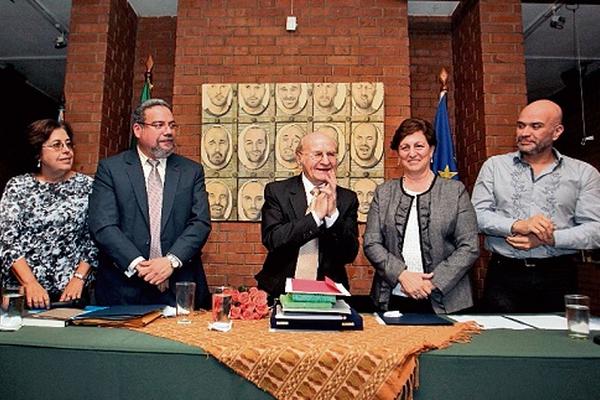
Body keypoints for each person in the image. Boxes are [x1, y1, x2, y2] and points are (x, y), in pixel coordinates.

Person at [472, 99, 600, 313]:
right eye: (521, 125)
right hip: (504, 274)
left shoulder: (583, 173)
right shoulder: (494, 167)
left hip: (558, 275)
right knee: (500, 342)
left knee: (556, 343)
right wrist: (517, 225)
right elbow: (476, 216)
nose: (524, 132)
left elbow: (595, 230)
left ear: (557, 131)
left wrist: (550, 239)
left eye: (536, 126)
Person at [89, 99, 211, 308]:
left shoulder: (191, 171)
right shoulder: (111, 169)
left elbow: (200, 223)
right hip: (123, 288)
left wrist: (169, 262)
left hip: (178, 287)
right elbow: (104, 225)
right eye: (159, 125)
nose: (168, 131)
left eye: (172, 125)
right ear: (138, 129)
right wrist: (141, 266)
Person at [364, 118, 479, 314]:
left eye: (419, 146)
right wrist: (402, 275)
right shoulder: (384, 193)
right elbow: (371, 243)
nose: (412, 153)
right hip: (393, 297)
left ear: (431, 150)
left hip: (447, 299)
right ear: (398, 154)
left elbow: (469, 246)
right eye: (405, 147)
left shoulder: (455, 191)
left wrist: (433, 282)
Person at [0, 119, 97, 309]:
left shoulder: (88, 186)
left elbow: (94, 238)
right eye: (57, 145)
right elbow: (7, 240)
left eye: (68, 144)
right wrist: (30, 283)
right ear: (38, 152)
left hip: (71, 293)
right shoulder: (18, 186)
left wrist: (79, 278)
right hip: (22, 291)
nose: (66, 150)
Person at [256, 131, 359, 298]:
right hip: (280, 290)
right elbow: (273, 240)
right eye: (317, 154)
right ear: (299, 158)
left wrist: (332, 215)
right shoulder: (277, 192)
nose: (325, 161)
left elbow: (349, 254)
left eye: (331, 154)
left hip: (328, 294)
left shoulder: (347, 198)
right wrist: (315, 217)